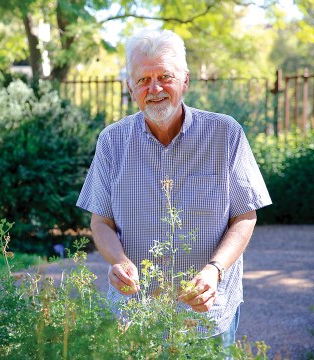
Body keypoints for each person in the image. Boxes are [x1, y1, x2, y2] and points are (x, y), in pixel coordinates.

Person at [76, 29, 272, 346]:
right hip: (135, 316)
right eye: (142, 80)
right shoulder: (112, 141)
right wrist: (119, 262)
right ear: (130, 87)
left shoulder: (225, 134)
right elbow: (101, 223)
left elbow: (244, 217)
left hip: (207, 315)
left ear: (185, 81)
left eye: (165, 76)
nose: (154, 89)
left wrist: (214, 271)